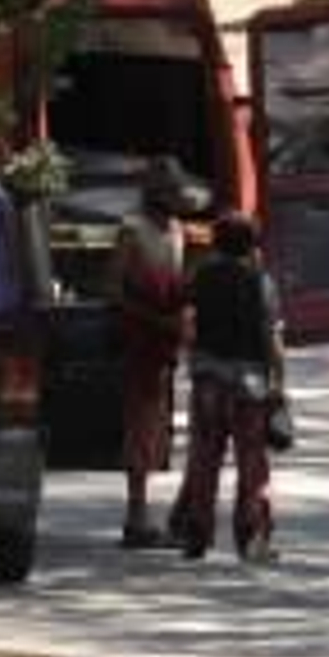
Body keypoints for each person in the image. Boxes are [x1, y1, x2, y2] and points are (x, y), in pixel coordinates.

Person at [173, 212, 286, 564]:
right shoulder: (260, 281)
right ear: (252, 245)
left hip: (208, 380)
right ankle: (251, 537)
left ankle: (196, 534)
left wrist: (195, 361)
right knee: (252, 463)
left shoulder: (200, 277)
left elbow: (188, 325)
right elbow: (271, 337)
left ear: (216, 243)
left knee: (203, 459)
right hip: (248, 384)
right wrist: (278, 384)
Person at [111, 155, 208, 550]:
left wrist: (184, 318)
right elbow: (114, 289)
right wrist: (154, 318)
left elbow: (178, 284)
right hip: (140, 341)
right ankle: (136, 516)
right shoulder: (131, 230)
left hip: (167, 341)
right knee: (140, 426)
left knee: (157, 430)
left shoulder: (178, 230)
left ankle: (148, 516)